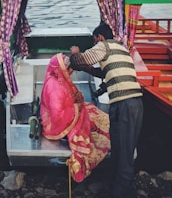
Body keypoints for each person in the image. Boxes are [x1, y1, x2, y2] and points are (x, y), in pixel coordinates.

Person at [70, 23, 143, 198]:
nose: (95, 44)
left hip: (127, 104)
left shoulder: (105, 45)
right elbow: (105, 75)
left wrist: (75, 54)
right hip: (123, 104)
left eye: (95, 41)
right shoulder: (121, 50)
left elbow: (84, 59)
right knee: (117, 148)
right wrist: (96, 91)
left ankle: (121, 193)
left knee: (124, 152)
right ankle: (115, 188)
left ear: (100, 37)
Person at [40, 52, 110, 182]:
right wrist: (76, 107)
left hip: (63, 114)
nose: (70, 71)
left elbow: (69, 96)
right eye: (68, 69)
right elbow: (58, 116)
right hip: (55, 125)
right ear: (60, 69)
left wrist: (77, 100)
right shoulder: (54, 87)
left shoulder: (59, 79)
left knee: (92, 111)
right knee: (88, 117)